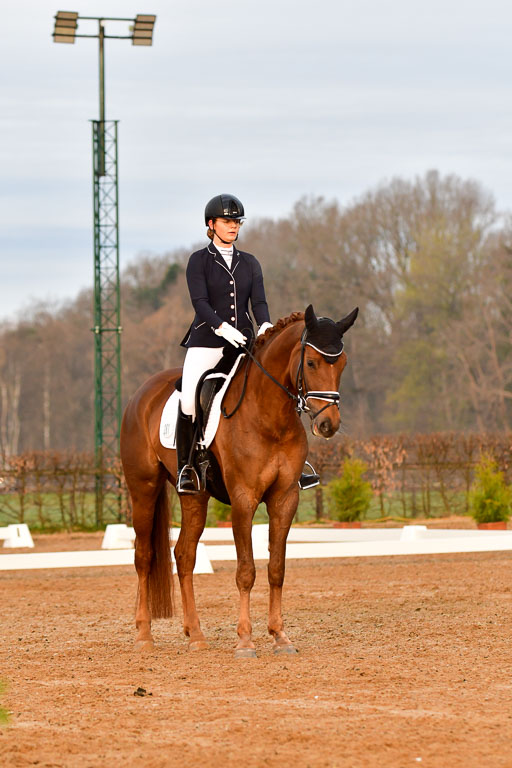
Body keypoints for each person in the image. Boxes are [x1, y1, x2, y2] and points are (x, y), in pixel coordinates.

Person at [176, 193, 273, 493]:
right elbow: (200, 303)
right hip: (207, 340)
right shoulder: (199, 261)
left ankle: (293, 463)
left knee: (273, 386)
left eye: (237, 222)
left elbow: (258, 302)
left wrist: (265, 325)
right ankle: (187, 467)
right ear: (211, 224)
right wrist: (220, 327)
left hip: (243, 341)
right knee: (190, 399)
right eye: (227, 221)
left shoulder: (250, 262)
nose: (233, 226)